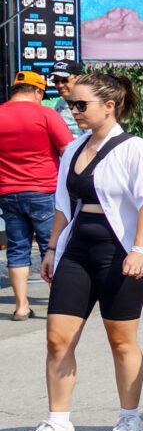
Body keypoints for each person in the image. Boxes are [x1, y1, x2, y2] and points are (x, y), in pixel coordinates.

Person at [14, 72, 143, 431]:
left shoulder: (134, 149)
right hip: (77, 249)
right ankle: (58, 424)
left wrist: (140, 249)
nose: (72, 111)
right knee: (57, 338)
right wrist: (50, 249)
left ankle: (130, 419)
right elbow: (64, 204)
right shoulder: (73, 150)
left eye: (81, 105)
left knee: (120, 339)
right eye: (71, 104)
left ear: (109, 106)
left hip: (120, 251)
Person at [0, 70, 73, 320]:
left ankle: (21, 306)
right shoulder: (46, 114)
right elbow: (68, 151)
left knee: (17, 248)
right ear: (37, 91)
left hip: (8, 192)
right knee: (50, 246)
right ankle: (60, 304)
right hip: (43, 190)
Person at [48, 58, 83, 126]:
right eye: (56, 81)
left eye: (65, 80)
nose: (60, 85)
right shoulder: (61, 100)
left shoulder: (87, 104)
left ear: (78, 79)